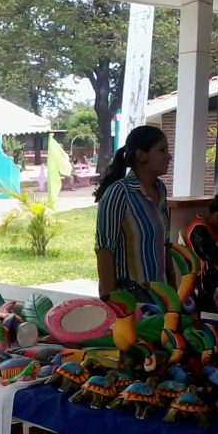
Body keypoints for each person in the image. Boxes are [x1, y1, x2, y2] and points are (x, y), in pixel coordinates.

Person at [94, 125, 175, 302]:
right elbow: (104, 250)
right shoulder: (119, 192)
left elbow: (164, 243)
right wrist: (113, 301)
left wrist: (173, 288)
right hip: (132, 298)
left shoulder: (160, 189)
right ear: (141, 155)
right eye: (162, 150)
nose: (169, 156)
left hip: (161, 295)